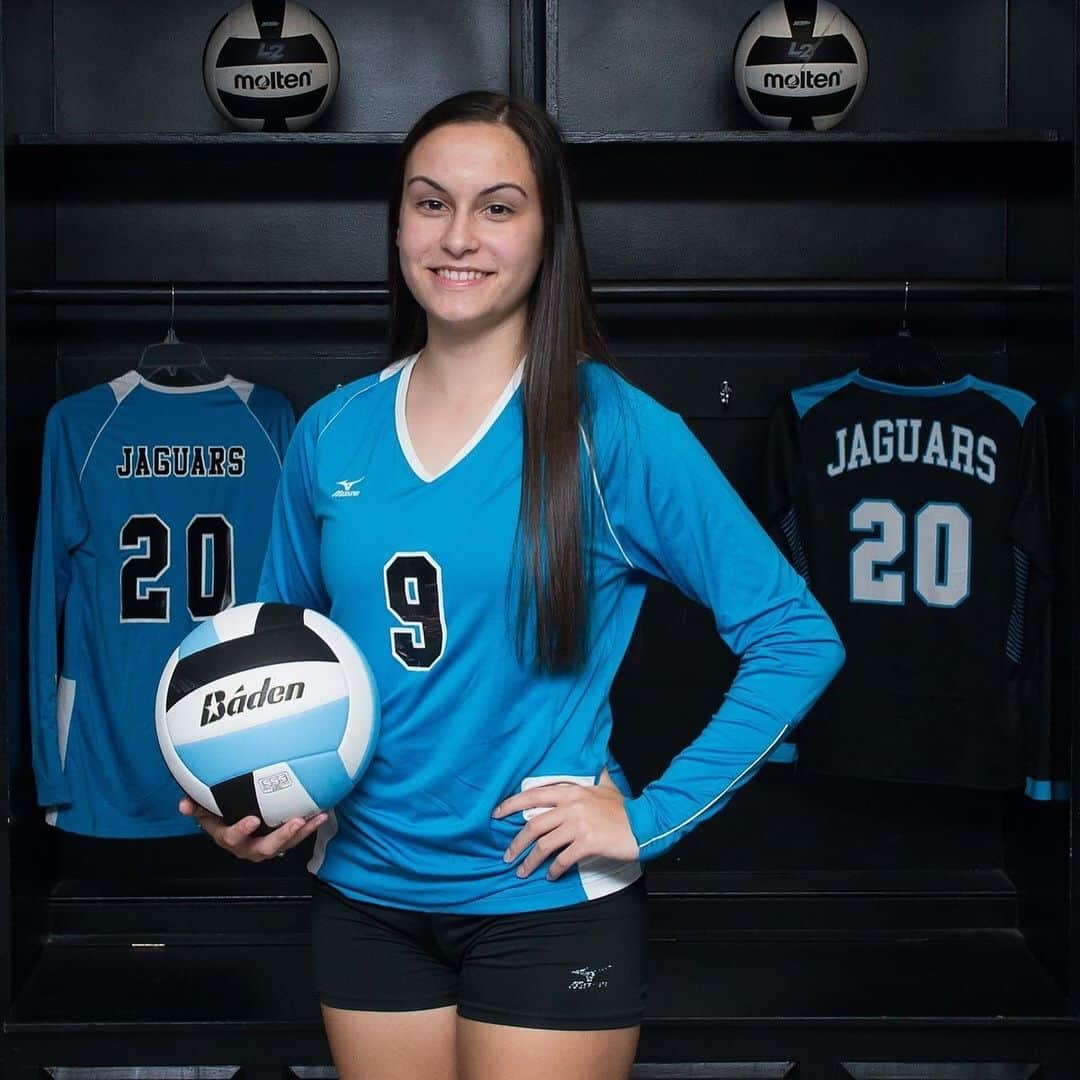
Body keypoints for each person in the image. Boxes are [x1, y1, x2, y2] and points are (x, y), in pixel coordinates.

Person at [180, 90, 845, 1080]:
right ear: (397, 224)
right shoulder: (331, 432)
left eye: (498, 206)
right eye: (429, 202)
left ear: (547, 231)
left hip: (544, 906)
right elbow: (271, 644)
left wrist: (650, 813)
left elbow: (797, 633)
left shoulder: (611, 430)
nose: (458, 236)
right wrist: (237, 793)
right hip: (365, 898)